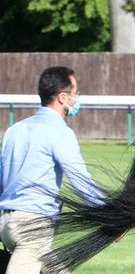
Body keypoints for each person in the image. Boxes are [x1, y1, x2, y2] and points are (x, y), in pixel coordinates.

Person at [0, 66, 103, 274]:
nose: (77, 98)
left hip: (5, 223)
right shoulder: (60, 133)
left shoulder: (14, 130)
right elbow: (79, 179)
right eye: (75, 93)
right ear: (63, 97)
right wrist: (108, 213)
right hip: (33, 226)